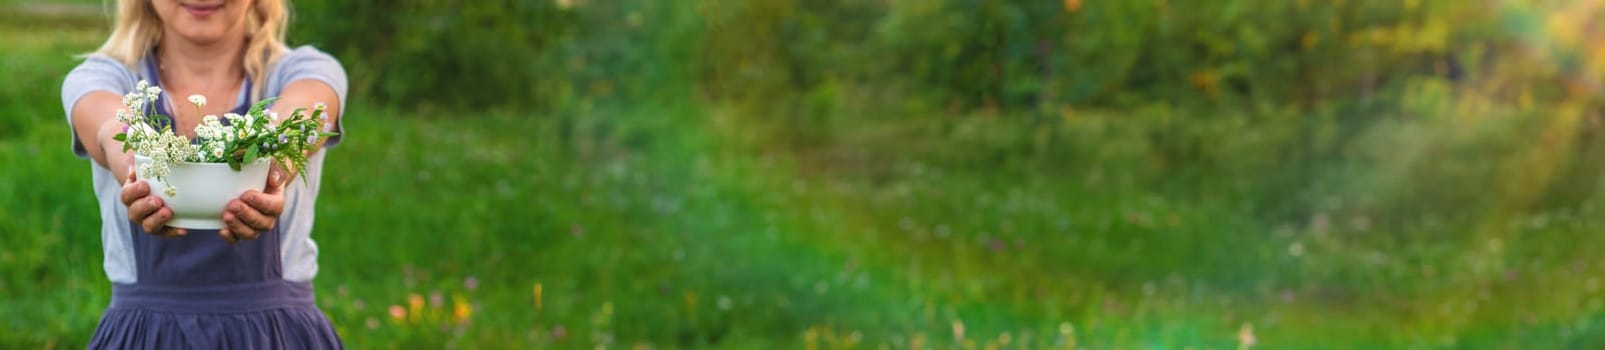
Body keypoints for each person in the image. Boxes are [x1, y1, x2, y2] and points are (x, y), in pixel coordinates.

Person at [60, 0, 347, 347]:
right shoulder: (102, 77)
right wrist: (137, 172)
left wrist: (273, 171)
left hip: (277, 336)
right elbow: (109, 128)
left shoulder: (306, 70)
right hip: (146, 336)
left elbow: (305, 114)